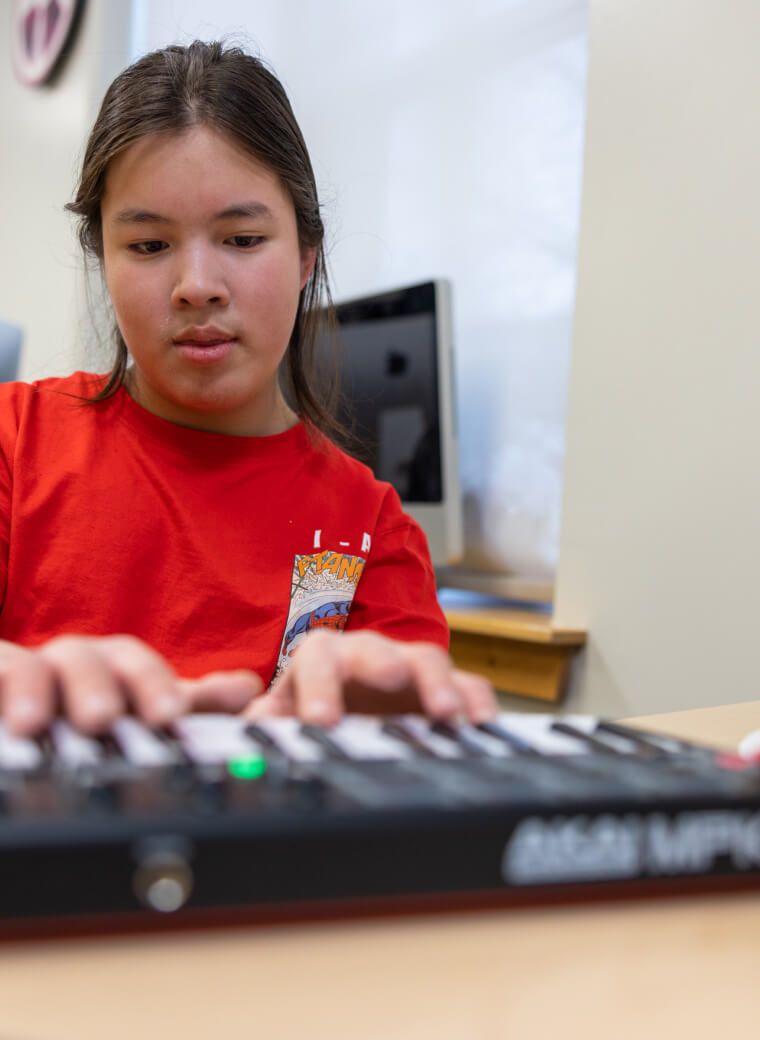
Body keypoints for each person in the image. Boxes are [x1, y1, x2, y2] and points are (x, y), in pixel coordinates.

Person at [0, 40, 497, 737]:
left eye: (241, 238)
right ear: (102, 260)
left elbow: (399, 789)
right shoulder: (14, 443)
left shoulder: (375, 534)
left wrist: (377, 725)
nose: (197, 285)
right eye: (148, 245)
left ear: (304, 257)